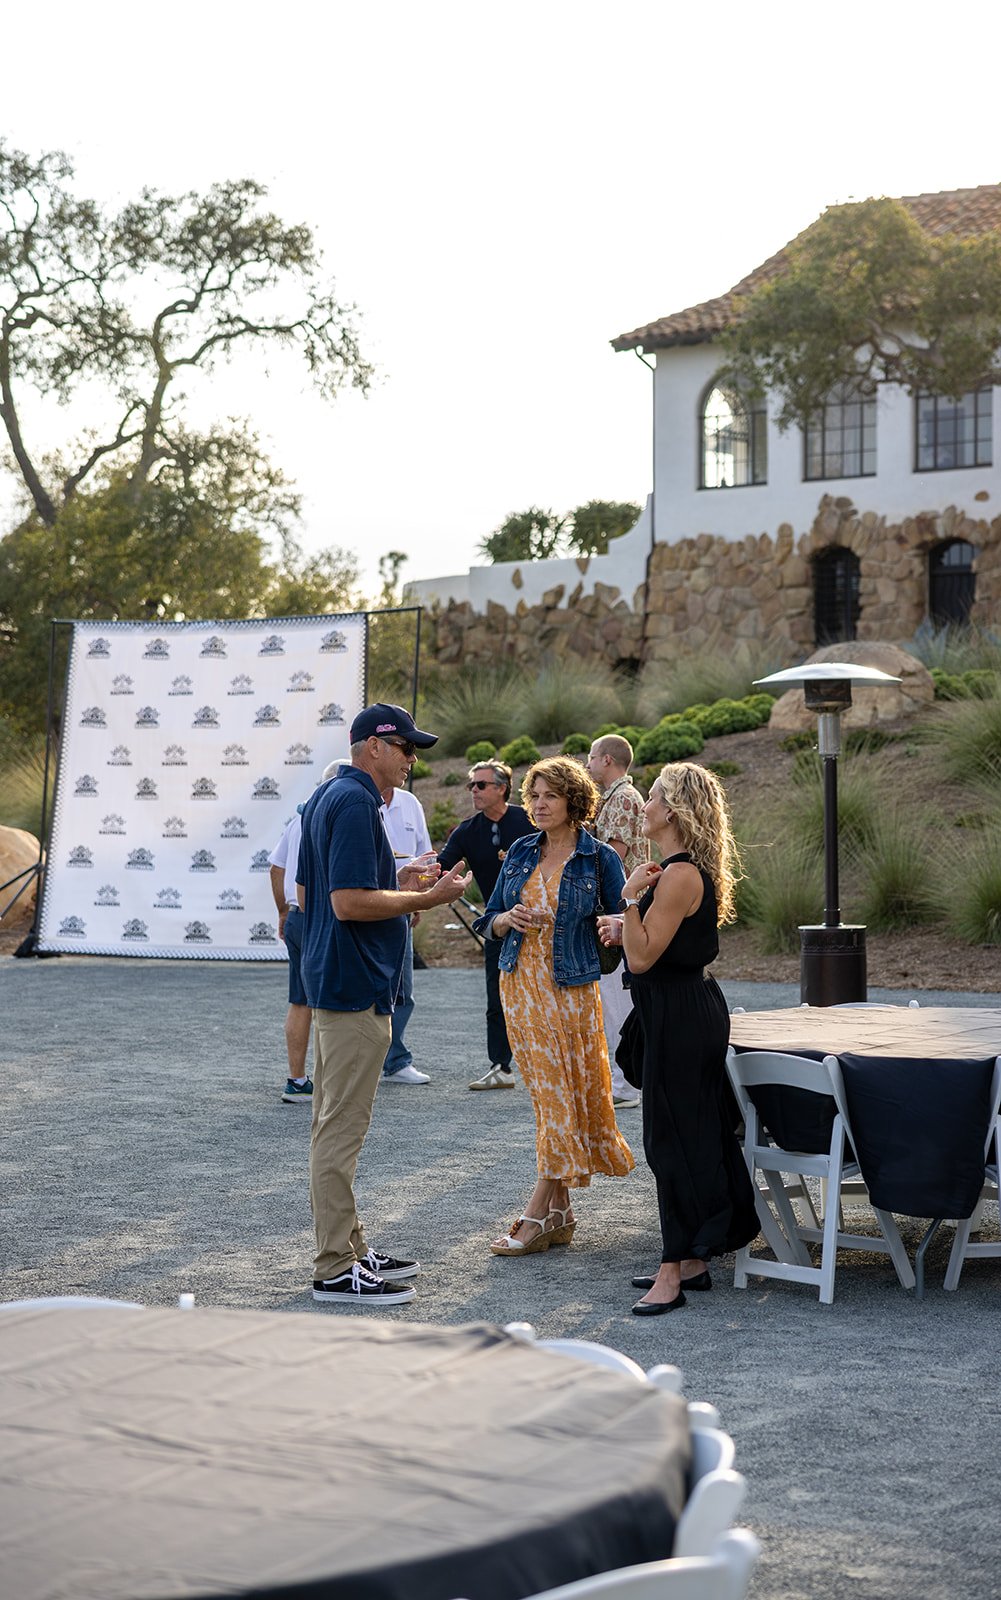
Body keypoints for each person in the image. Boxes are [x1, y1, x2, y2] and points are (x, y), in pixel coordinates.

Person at [297, 703, 471, 1307]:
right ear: (373, 745)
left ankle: (347, 1247)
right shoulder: (351, 802)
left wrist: (404, 876)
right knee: (340, 1131)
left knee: (335, 1125)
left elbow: (340, 886)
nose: (411, 760)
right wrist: (431, 896)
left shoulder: (334, 797)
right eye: (405, 748)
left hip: (343, 981)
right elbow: (348, 902)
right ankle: (334, 1268)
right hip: (353, 985)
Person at [599, 760, 758, 1316]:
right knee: (690, 1134)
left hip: (681, 1018)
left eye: (653, 797)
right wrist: (630, 924)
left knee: (672, 1140)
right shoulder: (674, 872)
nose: (643, 805)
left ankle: (672, 1271)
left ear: (673, 811)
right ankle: (692, 1258)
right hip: (681, 1009)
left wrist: (626, 898)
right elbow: (660, 947)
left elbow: (642, 961)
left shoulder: (680, 874)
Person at [473, 755, 633, 1256]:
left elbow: (622, 921)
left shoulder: (599, 858)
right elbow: (490, 916)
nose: (539, 806)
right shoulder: (521, 850)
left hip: (573, 988)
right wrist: (506, 921)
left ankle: (550, 1211)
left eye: (550, 797)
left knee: (569, 1092)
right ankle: (546, 1209)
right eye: (534, 796)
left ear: (573, 801)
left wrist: (606, 927)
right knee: (551, 1096)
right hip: (520, 984)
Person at [438, 760, 535, 1090]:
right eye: (471, 786)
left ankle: (552, 1065)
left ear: (502, 788)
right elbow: (441, 868)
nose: (474, 791)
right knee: (497, 999)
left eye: (480, 785)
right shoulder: (468, 830)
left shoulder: (531, 819)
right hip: (497, 925)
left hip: (541, 922)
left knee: (546, 994)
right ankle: (501, 1067)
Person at [267, 756, 348, 1103]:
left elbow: (276, 868)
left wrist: (283, 911)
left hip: (298, 915)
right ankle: (334, 1082)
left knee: (300, 1000)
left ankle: (296, 1080)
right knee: (335, 1003)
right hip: (323, 916)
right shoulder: (339, 813)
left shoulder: (300, 817)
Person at [586, 734, 649, 1111]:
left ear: (608, 760)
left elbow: (613, 857)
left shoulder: (623, 799)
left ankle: (629, 1083)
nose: (589, 764)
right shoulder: (612, 799)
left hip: (620, 910)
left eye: (592, 757)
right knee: (611, 1000)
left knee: (618, 1001)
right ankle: (625, 1079)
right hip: (617, 910)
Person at [379, 782, 435, 1085]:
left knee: (402, 990)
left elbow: (424, 855)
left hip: (402, 906)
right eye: (403, 750)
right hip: (366, 906)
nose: (410, 759)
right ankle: (368, 1059)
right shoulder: (359, 800)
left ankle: (395, 1061)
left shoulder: (410, 802)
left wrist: (418, 900)